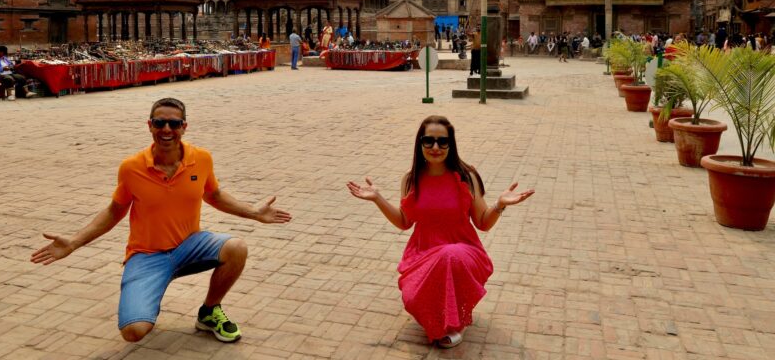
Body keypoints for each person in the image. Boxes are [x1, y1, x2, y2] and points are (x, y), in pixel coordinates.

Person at [30, 98, 292, 344]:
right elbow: (114, 211)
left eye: (174, 123)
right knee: (133, 331)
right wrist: (74, 242)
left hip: (190, 245)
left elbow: (214, 195)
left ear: (184, 127)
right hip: (146, 256)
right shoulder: (131, 167)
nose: (167, 129)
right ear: (150, 126)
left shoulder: (201, 159)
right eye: (159, 123)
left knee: (236, 247)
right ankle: (149, 293)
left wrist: (255, 213)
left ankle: (209, 312)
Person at [347, 116, 534, 348]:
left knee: (449, 256)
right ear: (420, 144)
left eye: (442, 142)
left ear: (451, 144)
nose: (435, 147)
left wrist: (499, 205)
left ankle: (456, 323)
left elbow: (483, 223)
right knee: (414, 298)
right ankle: (440, 311)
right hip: (423, 252)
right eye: (429, 141)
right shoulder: (411, 179)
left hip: (463, 251)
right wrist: (378, 199)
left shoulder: (467, 176)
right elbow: (405, 222)